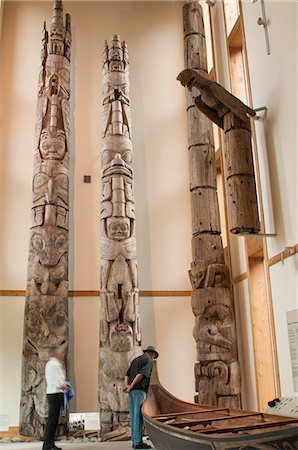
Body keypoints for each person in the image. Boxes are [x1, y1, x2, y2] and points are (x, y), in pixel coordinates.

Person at [124, 345, 159, 450]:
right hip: (138, 390)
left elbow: (127, 374)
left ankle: (134, 441)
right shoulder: (148, 360)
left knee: (133, 416)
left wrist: (127, 385)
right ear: (152, 354)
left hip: (131, 392)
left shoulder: (136, 360)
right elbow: (141, 375)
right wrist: (131, 386)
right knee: (138, 416)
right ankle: (138, 442)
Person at [42, 347, 69, 450]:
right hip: (55, 393)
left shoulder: (51, 364)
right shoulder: (54, 364)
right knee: (52, 421)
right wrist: (64, 386)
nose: (62, 354)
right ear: (56, 354)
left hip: (54, 393)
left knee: (53, 421)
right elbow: (56, 379)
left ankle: (50, 443)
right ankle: (47, 445)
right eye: (60, 353)